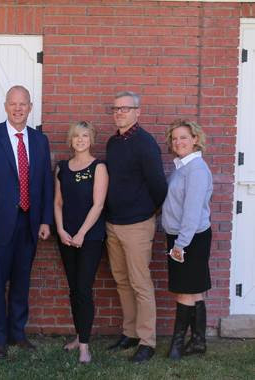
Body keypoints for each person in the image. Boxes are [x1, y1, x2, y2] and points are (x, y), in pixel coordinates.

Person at [0, 85, 53, 359]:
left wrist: (45, 221)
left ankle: (18, 333)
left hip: (29, 224)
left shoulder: (40, 141)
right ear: (5, 106)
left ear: (30, 107)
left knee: (21, 281)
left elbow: (45, 185)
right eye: (13, 104)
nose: (18, 109)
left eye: (23, 104)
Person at [105, 91, 167, 362]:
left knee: (140, 283)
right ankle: (129, 333)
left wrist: (147, 212)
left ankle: (147, 341)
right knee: (122, 281)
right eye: (116, 109)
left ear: (137, 112)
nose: (119, 113)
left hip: (138, 224)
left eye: (125, 109)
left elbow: (159, 186)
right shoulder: (113, 143)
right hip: (113, 224)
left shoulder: (145, 143)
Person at [54, 121, 108, 364]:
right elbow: (57, 203)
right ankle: (79, 335)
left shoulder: (99, 167)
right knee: (74, 288)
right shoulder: (62, 168)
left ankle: (85, 346)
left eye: (85, 136)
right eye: (76, 136)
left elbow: (98, 204)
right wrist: (61, 230)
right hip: (66, 236)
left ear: (91, 139)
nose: (80, 140)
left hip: (90, 237)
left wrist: (82, 233)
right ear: (71, 139)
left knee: (84, 289)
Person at [162, 119, 213, 360]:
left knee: (184, 291)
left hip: (189, 238)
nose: (178, 142)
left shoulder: (196, 169)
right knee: (194, 291)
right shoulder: (183, 167)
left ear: (195, 139)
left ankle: (177, 346)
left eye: (184, 137)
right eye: (175, 138)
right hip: (185, 236)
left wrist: (180, 245)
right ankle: (198, 342)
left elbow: (192, 211)